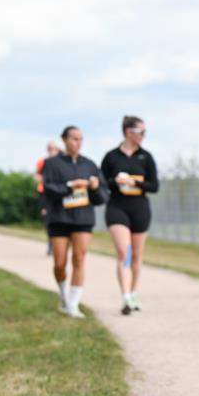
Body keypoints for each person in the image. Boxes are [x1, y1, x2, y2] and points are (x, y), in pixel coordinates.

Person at [41, 126, 108, 319]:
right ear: (64, 140)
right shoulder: (52, 164)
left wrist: (95, 188)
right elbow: (48, 189)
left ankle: (73, 304)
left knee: (79, 258)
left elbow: (102, 197)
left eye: (81, 139)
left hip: (82, 218)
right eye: (74, 139)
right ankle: (63, 295)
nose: (78, 143)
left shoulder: (90, 165)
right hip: (59, 218)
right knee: (60, 262)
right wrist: (70, 186)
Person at [101, 115, 159, 315]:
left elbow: (154, 186)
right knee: (123, 253)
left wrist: (135, 183)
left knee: (136, 255)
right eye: (141, 132)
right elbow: (102, 183)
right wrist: (115, 182)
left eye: (144, 132)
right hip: (117, 207)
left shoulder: (146, 157)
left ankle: (133, 292)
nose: (144, 136)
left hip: (140, 208)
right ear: (128, 132)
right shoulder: (111, 157)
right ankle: (125, 296)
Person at [36, 141, 61, 255]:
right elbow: (37, 175)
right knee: (48, 219)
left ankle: (58, 244)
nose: (52, 150)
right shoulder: (43, 162)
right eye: (50, 148)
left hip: (60, 193)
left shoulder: (62, 162)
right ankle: (51, 244)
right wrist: (46, 182)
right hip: (45, 194)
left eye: (54, 148)